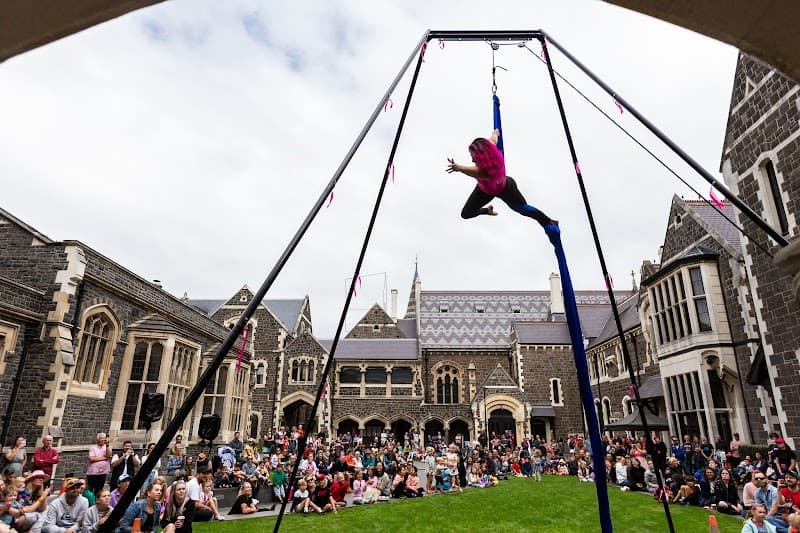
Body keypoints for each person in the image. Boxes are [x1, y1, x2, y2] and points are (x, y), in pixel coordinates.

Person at [446, 130, 557, 227]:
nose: (473, 161)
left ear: (483, 158)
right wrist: (495, 133)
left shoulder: (485, 172)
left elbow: (469, 171)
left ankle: (548, 222)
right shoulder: (492, 149)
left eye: (474, 158)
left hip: (504, 189)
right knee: (466, 213)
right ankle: (487, 211)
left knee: (523, 209)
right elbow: (492, 140)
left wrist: (458, 167)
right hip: (497, 185)